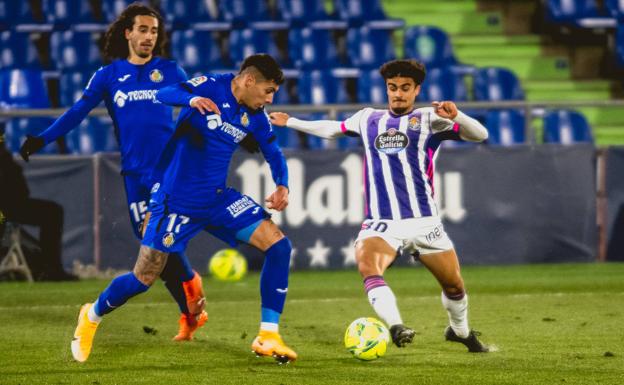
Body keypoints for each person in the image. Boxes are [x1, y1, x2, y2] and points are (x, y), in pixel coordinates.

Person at [71, 53, 297, 364]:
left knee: (279, 246)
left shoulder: (255, 116)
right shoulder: (211, 85)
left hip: (217, 200)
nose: (270, 98)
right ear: (248, 81)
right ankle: (92, 315)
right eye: (268, 90)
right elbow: (164, 93)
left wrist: (282, 185)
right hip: (174, 200)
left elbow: (273, 152)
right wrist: (191, 101)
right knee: (142, 278)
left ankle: (268, 335)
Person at [269, 59, 490, 353]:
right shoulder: (368, 118)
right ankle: (397, 325)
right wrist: (293, 122)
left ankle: (460, 331)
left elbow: (481, 135)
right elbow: (333, 128)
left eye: (405, 88)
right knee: (368, 265)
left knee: (454, 286)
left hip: (425, 222)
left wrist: (458, 115)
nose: (398, 94)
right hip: (382, 223)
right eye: (393, 88)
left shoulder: (429, 119)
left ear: (416, 90)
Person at [19, 4, 208, 341]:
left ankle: (189, 307)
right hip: (135, 174)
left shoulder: (170, 71)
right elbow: (78, 112)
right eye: (143, 30)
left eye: (154, 31)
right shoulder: (109, 75)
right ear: (128, 32)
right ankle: (189, 295)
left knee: (157, 244)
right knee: (154, 248)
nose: (149, 36)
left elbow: (199, 106)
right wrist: (42, 138)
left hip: (169, 172)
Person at [0, 133, 75, 281]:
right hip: (5, 207)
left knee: (52, 212)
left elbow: (18, 190)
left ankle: (51, 269)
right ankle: (51, 269)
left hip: (11, 205)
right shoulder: (3, 157)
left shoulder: (4, 157)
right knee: (52, 212)